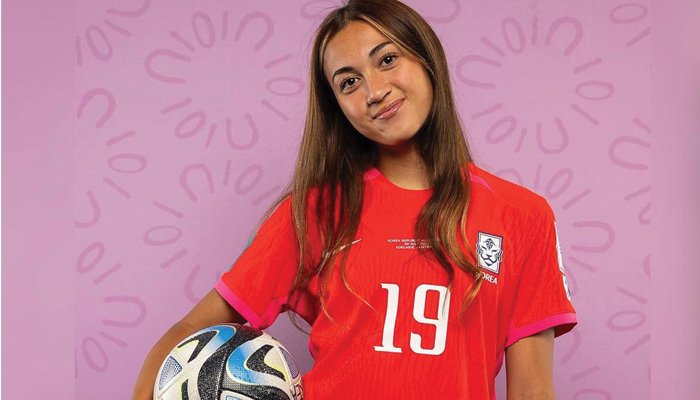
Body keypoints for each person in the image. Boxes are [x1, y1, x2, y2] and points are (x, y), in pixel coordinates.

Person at [132, 0, 577, 399]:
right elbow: (193, 330)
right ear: (339, 108)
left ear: (427, 59)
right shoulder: (315, 212)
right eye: (349, 82)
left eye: (387, 60)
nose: (374, 91)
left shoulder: (522, 215)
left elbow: (533, 389)